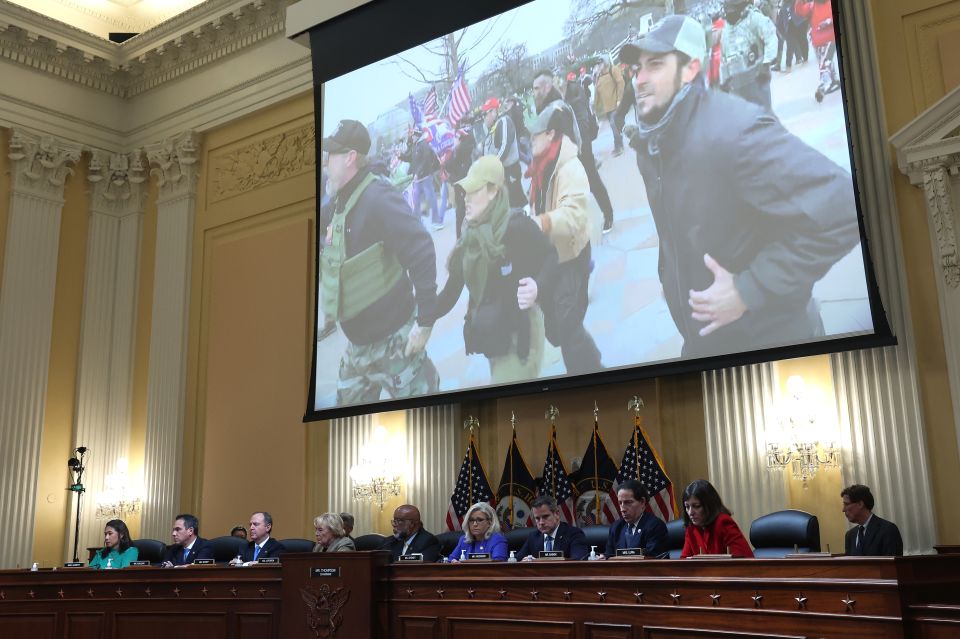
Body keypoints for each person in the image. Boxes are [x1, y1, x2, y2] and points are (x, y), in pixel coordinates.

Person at [619, 15, 861, 359]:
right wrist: (671, 275)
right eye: (635, 69)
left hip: (772, 347)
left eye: (655, 65)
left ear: (690, 69)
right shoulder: (655, 142)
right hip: (707, 340)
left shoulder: (735, 132)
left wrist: (749, 288)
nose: (639, 79)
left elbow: (843, 206)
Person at [319, 119, 439, 404]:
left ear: (350, 158)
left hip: (394, 344)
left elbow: (420, 248)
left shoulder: (377, 196)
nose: (325, 164)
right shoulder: (338, 202)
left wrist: (425, 322)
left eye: (331, 156)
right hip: (358, 349)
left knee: (429, 421)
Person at [432, 155, 557, 383]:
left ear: (493, 191)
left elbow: (551, 256)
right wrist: (418, 316)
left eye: (473, 191)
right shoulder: (469, 236)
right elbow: (450, 293)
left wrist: (537, 285)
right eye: (465, 192)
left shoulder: (517, 227)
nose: (465, 198)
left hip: (522, 336)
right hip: (494, 338)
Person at [526, 100, 602, 375]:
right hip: (551, 257)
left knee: (567, 331)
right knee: (557, 332)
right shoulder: (541, 166)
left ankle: (590, 373)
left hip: (571, 255)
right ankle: (590, 358)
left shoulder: (570, 167)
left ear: (551, 135)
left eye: (536, 133)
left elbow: (573, 216)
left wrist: (542, 221)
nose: (530, 139)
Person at [534, 68, 615, 234]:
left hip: (582, 146)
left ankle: (608, 214)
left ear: (562, 81)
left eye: (556, 81)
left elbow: (582, 122)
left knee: (593, 182)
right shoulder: (552, 100)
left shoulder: (575, 92)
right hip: (567, 152)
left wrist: (576, 147)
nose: (553, 85)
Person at [720, 0, 778, 110]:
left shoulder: (754, 19)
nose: (729, 13)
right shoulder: (726, 28)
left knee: (762, 114)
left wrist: (766, 63)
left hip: (756, 76)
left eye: (732, 9)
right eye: (727, 10)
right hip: (736, 82)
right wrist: (724, 80)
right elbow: (724, 56)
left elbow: (770, 37)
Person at [477, 98, 527, 213]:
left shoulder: (504, 121)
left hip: (510, 169)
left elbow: (505, 146)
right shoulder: (491, 128)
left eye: (486, 113)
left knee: (517, 199)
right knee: (507, 203)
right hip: (501, 171)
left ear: (494, 112)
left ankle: (528, 221)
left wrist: (493, 165)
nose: (484, 117)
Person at [680, 479, 753, 558]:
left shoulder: (723, 522)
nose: (690, 512)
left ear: (709, 505)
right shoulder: (691, 528)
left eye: (696, 506)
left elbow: (745, 560)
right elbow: (683, 562)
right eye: (687, 507)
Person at [601, 480, 668, 558]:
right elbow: (608, 556)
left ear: (642, 502)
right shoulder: (616, 527)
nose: (622, 509)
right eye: (620, 503)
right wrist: (603, 558)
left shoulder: (655, 526)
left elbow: (652, 560)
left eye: (628, 502)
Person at [794, 0, 840, 102]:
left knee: (824, 63)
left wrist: (829, 21)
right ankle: (833, 81)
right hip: (817, 40)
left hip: (829, 37)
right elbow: (799, 12)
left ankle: (824, 86)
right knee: (824, 61)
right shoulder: (812, 6)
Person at [517, 495, 588, 560]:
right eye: (537, 518)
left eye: (545, 517)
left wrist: (537, 561)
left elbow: (579, 561)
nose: (541, 522)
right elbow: (516, 560)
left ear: (557, 514)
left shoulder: (574, 534)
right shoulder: (533, 536)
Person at [841, 484, 903, 556]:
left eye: (846, 504)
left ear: (860, 504)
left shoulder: (888, 530)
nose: (843, 509)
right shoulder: (850, 535)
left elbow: (892, 565)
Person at [592, 59, 625, 156]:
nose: (599, 66)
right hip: (607, 107)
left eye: (600, 63)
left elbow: (620, 82)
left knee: (613, 124)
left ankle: (619, 146)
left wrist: (619, 99)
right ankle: (621, 138)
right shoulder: (598, 76)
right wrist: (594, 108)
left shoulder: (612, 70)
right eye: (597, 64)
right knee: (614, 126)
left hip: (615, 104)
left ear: (604, 63)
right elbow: (597, 92)